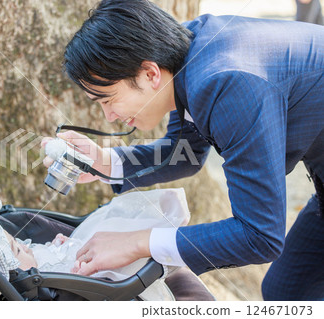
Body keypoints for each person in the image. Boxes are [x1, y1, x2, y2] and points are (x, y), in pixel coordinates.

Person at [42, 0, 324, 300]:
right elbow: (186, 151)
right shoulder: (180, 53)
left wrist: (139, 242)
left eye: (108, 100)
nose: (108, 117)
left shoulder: (227, 82)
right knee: (287, 290)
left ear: (150, 74)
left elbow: (259, 235)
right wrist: (105, 163)